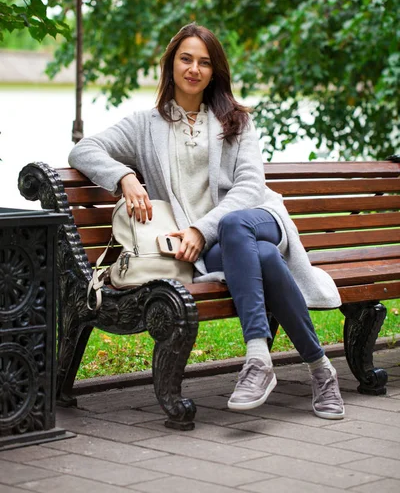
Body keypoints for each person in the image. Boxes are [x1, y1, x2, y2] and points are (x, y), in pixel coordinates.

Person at [69, 23, 345, 420]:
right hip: (219, 249)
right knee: (263, 259)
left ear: (215, 72)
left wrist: (202, 229)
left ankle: (256, 359)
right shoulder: (145, 125)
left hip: (259, 219)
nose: (194, 69)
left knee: (238, 229)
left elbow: (250, 188)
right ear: (171, 65)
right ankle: (321, 369)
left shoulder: (236, 120)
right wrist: (125, 177)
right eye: (186, 59)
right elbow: (85, 150)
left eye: (204, 62)